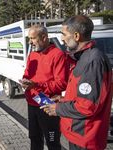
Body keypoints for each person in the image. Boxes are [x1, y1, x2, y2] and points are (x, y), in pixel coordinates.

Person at [41, 15, 113, 150]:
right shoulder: (83, 58)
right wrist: (62, 99)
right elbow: (82, 96)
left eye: (64, 34)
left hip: (85, 138)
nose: (62, 39)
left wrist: (57, 109)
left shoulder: (92, 61)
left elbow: (88, 106)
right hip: (78, 135)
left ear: (76, 36)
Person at [20, 24, 69, 150]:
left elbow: (62, 83)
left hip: (48, 104)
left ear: (44, 37)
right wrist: (25, 82)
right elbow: (27, 74)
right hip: (32, 102)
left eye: (32, 38)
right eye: (29, 39)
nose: (30, 42)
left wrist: (36, 85)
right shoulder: (32, 55)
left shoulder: (58, 54)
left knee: (52, 141)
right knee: (34, 139)